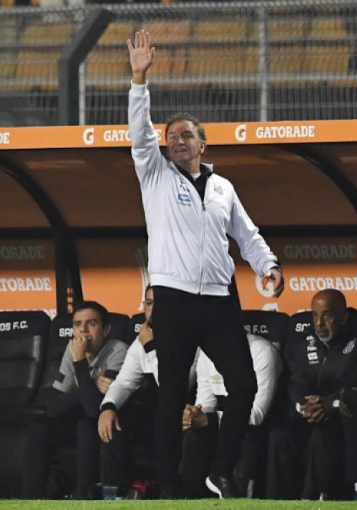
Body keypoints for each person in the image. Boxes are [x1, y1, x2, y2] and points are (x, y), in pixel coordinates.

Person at [126, 30, 284, 498]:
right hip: (173, 299)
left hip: (218, 301)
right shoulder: (154, 175)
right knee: (172, 394)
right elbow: (140, 134)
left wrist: (267, 265)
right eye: (170, 136)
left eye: (186, 135)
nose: (176, 141)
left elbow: (247, 235)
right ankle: (169, 485)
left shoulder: (222, 188)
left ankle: (221, 470)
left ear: (203, 145)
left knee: (245, 384)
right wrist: (139, 80)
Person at [267, 289, 357, 500]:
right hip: (308, 413)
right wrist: (304, 405)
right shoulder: (304, 342)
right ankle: (276, 501)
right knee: (280, 436)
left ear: (344, 317)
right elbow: (295, 380)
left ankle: (313, 499)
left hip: (342, 416)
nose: (319, 323)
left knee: (321, 435)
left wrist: (329, 402)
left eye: (327, 315)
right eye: (315, 316)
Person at [22, 301, 127, 499]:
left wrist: (79, 363)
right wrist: (91, 385)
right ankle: (31, 500)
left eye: (91, 323)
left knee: (86, 424)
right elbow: (53, 406)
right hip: (79, 418)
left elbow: (94, 409)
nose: (83, 330)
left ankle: (83, 497)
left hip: (111, 423)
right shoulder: (72, 352)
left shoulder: (117, 351)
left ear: (106, 330)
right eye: (78, 324)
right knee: (40, 426)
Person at [181, 332, 282, 498]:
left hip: (259, 426)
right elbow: (205, 404)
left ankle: (236, 499)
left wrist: (209, 419)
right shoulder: (206, 353)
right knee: (193, 435)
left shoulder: (261, 351)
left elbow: (257, 415)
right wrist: (193, 414)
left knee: (243, 435)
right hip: (226, 419)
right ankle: (190, 500)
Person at [98, 285, 161, 498]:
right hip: (152, 414)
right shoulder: (141, 341)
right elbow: (124, 382)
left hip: (182, 411)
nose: (154, 310)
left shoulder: (189, 336)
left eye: (161, 304)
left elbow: (175, 386)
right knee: (113, 421)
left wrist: (150, 346)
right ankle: (114, 496)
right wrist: (108, 407)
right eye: (149, 303)